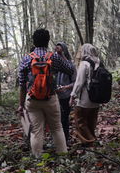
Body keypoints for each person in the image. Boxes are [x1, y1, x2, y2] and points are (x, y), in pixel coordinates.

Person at [18, 29, 75, 157]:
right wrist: (62, 55)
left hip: (32, 100)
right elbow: (71, 69)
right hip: (50, 98)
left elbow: (22, 85)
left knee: (36, 131)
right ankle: (63, 156)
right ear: (48, 41)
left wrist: (21, 105)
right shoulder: (53, 57)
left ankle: (38, 160)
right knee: (57, 128)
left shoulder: (26, 59)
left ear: (34, 41)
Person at [69, 43, 101, 145]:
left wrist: (73, 96)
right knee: (92, 121)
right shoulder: (99, 62)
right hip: (96, 97)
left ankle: (90, 142)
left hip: (85, 98)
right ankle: (91, 139)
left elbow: (79, 82)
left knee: (80, 120)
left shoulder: (84, 63)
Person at [54, 42, 76, 145]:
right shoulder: (53, 64)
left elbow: (75, 82)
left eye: (60, 47)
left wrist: (65, 87)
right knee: (55, 120)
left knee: (64, 119)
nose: (57, 49)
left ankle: (65, 140)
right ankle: (57, 141)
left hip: (66, 96)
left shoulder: (70, 65)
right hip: (54, 97)